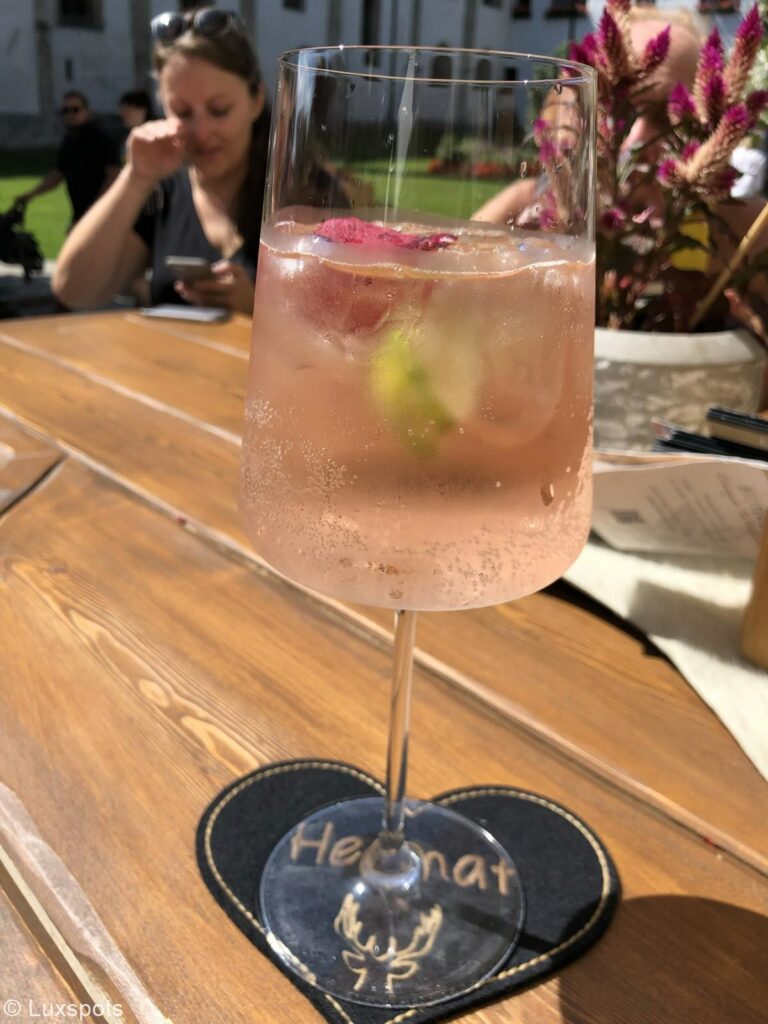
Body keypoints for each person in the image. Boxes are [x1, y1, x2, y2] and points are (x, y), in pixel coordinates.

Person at [53, 8, 270, 315]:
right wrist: (135, 178)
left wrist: (259, 310)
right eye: (182, 112)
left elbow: (342, 332)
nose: (202, 132)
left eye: (219, 109)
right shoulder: (164, 192)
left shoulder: (304, 194)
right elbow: (74, 289)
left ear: (256, 99)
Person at [15, 90, 121, 227]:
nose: (70, 114)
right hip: (81, 212)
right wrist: (30, 194)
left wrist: (95, 208)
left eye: (75, 110)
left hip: (104, 213)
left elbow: (113, 176)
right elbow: (58, 174)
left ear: (87, 112)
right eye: (65, 111)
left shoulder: (101, 139)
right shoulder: (70, 141)